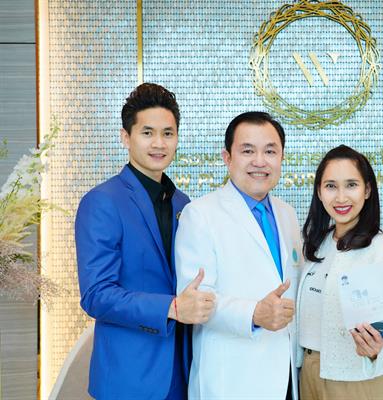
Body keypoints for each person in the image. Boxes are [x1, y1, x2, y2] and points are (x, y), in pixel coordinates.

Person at [76, 83, 215, 400]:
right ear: (126, 137)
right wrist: (171, 307)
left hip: (183, 371)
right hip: (130, 377)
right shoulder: (102, 201)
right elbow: (96, 295)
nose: (159, 143)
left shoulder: (184, 204)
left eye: (168, 133)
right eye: (147, 133)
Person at [174, 111, 303, 400]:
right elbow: (196, 300)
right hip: (232, 379)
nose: (260, 161)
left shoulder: (288, 214)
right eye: (247, 151)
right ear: (227, 157)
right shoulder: (200, 215)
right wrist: (254, 314)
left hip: (286, 377)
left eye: (270, 151)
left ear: (282, 157)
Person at [297, 145, 383, 400]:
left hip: (359, 381)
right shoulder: (316, 243)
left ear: (367, 190)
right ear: (319, 192)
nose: (341, 197)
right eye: (331, 186)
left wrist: (376, 348)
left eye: (351, 185)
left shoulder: (382, 253)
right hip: (310, 373)